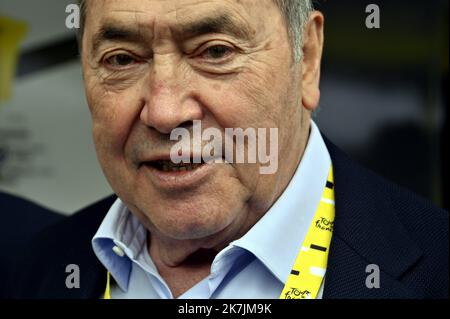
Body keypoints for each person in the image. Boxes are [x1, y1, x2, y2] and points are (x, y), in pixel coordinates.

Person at [6, 0, 448, 299]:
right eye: (122, 59)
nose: (164, 112)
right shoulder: (29, 270)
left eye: (214, 52)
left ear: (307, 59)